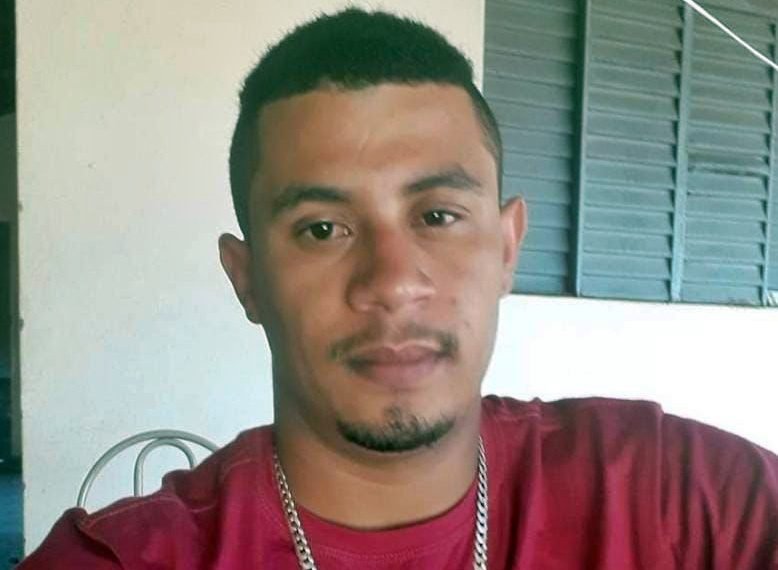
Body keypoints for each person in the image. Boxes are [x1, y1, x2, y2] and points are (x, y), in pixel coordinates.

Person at [20, 8, 778, 569]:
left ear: (507, 247)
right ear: (246, 280)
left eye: (437, 216)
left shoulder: (680, 502)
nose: (392, 283)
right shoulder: (127, 560)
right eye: (322, 228)